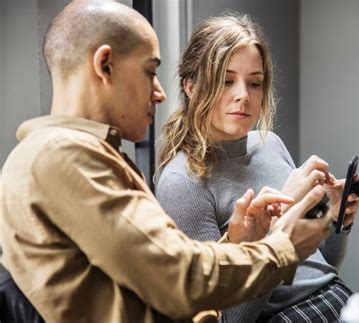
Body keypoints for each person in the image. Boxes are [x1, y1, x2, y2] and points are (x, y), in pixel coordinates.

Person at [0, 1, 337, 322]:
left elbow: (154, 268)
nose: (160, 92)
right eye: (150, 72)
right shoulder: (62, 156)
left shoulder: (78, 154)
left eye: (254, 83)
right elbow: (178, 277)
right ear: (104, 65)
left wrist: (234, 243)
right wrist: (282, 246)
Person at [157, 14, 359, 322]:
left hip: (340, 299)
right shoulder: (181, 182)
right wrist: (279, 217)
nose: (243, 95)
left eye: (255, 83)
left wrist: (335, 220)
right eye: (226, 81)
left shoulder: (271, 144)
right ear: (191, 87)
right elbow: (226, 319)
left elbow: (319, 269)